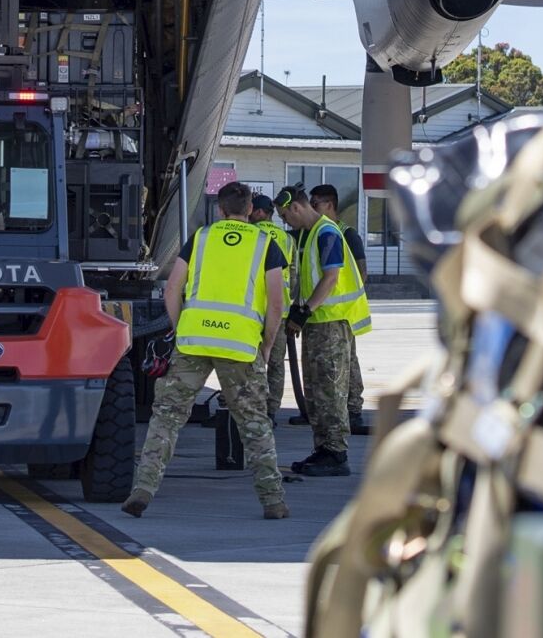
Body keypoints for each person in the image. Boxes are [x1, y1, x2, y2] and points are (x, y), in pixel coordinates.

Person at [125, 181, 289, 519]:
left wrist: (179, 326)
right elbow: (276, 303)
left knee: (167, 417)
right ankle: (272, 500)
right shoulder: (265, 243)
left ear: (220, 209)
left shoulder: (200, 238)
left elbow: (173, 288)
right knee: (254, 423)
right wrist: (268, 344)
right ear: (249, 210)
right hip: (241, 346)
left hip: (194, 340)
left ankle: (143, 488)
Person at [278, 184, 370, 477]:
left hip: (331, 323)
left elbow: (331, 277)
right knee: (315, 391)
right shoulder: (307, 235)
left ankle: (336, 453)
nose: (285, 221)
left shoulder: (327, 232)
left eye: (284, 215)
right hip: (318, 323)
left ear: (296, 207)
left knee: (330, 390)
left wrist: (304, 311)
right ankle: (323, 448)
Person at [310, 183, 372, 436]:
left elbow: (361, 272)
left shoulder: (346, 233)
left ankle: (353, 410)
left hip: (343, 312)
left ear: (330, 205)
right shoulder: (318, 231)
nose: (312, 209)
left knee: (348, 364)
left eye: (316, 204)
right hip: (328, 312)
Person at [248, 193, 295, 420]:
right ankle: (271, 411)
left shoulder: (253, 234)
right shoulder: (287, 239)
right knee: (276, 364)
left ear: (258, 213)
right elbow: (293, 275)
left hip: (254, 309)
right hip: (281, 311)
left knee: (248, 360)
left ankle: (248, 407)